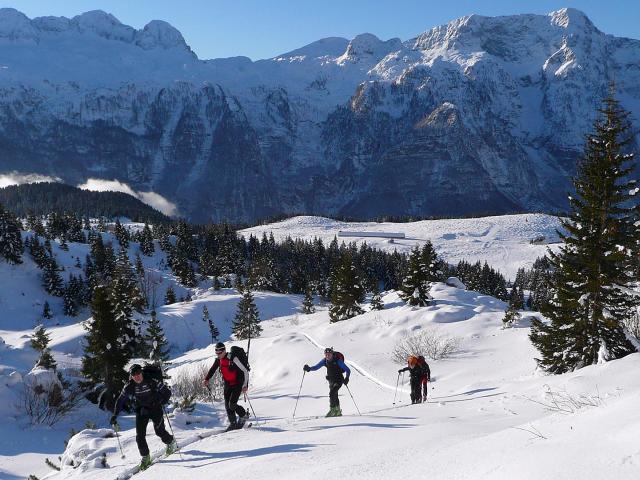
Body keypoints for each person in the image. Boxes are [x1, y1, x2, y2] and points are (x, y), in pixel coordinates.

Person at [111, 364, 177, 470]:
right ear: (131, 376)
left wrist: (161, 401)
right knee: (139, 436)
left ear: (141, 372)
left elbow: (167, 392)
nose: (137, 376)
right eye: (134, 374)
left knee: (159, 431)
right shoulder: (129, 386)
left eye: (138, 373)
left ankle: (171, 442)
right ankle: (145, 457)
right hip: (142, 410)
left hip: (155, 408)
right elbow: (120, 400)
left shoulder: (151, 380)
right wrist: (115, 414)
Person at [203, 342, 250, 431]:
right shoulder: (218, 360)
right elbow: (212, 369)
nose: (218, 355)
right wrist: (206, 379)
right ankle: (233, 423)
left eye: (219, 353)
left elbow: (245, 371)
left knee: (232, 405)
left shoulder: (233, 358)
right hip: (228, 384)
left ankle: (243, 415)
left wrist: (245, 385)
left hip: (237, 384)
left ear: (224, 350)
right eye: (216, 353)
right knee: (227, 406)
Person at [303, 347, 351, 417]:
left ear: (332, 354)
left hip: (339, 380)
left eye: (329, 354)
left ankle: (332, 410)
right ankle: (337, 411)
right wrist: (309, 368)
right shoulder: (324, 361)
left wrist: (347, 378)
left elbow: (348, 370)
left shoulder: (337, 361)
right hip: (331, 380)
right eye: (326, 354)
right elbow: (316, 367)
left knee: (332, 393)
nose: (327, 356)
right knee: (335, 395)